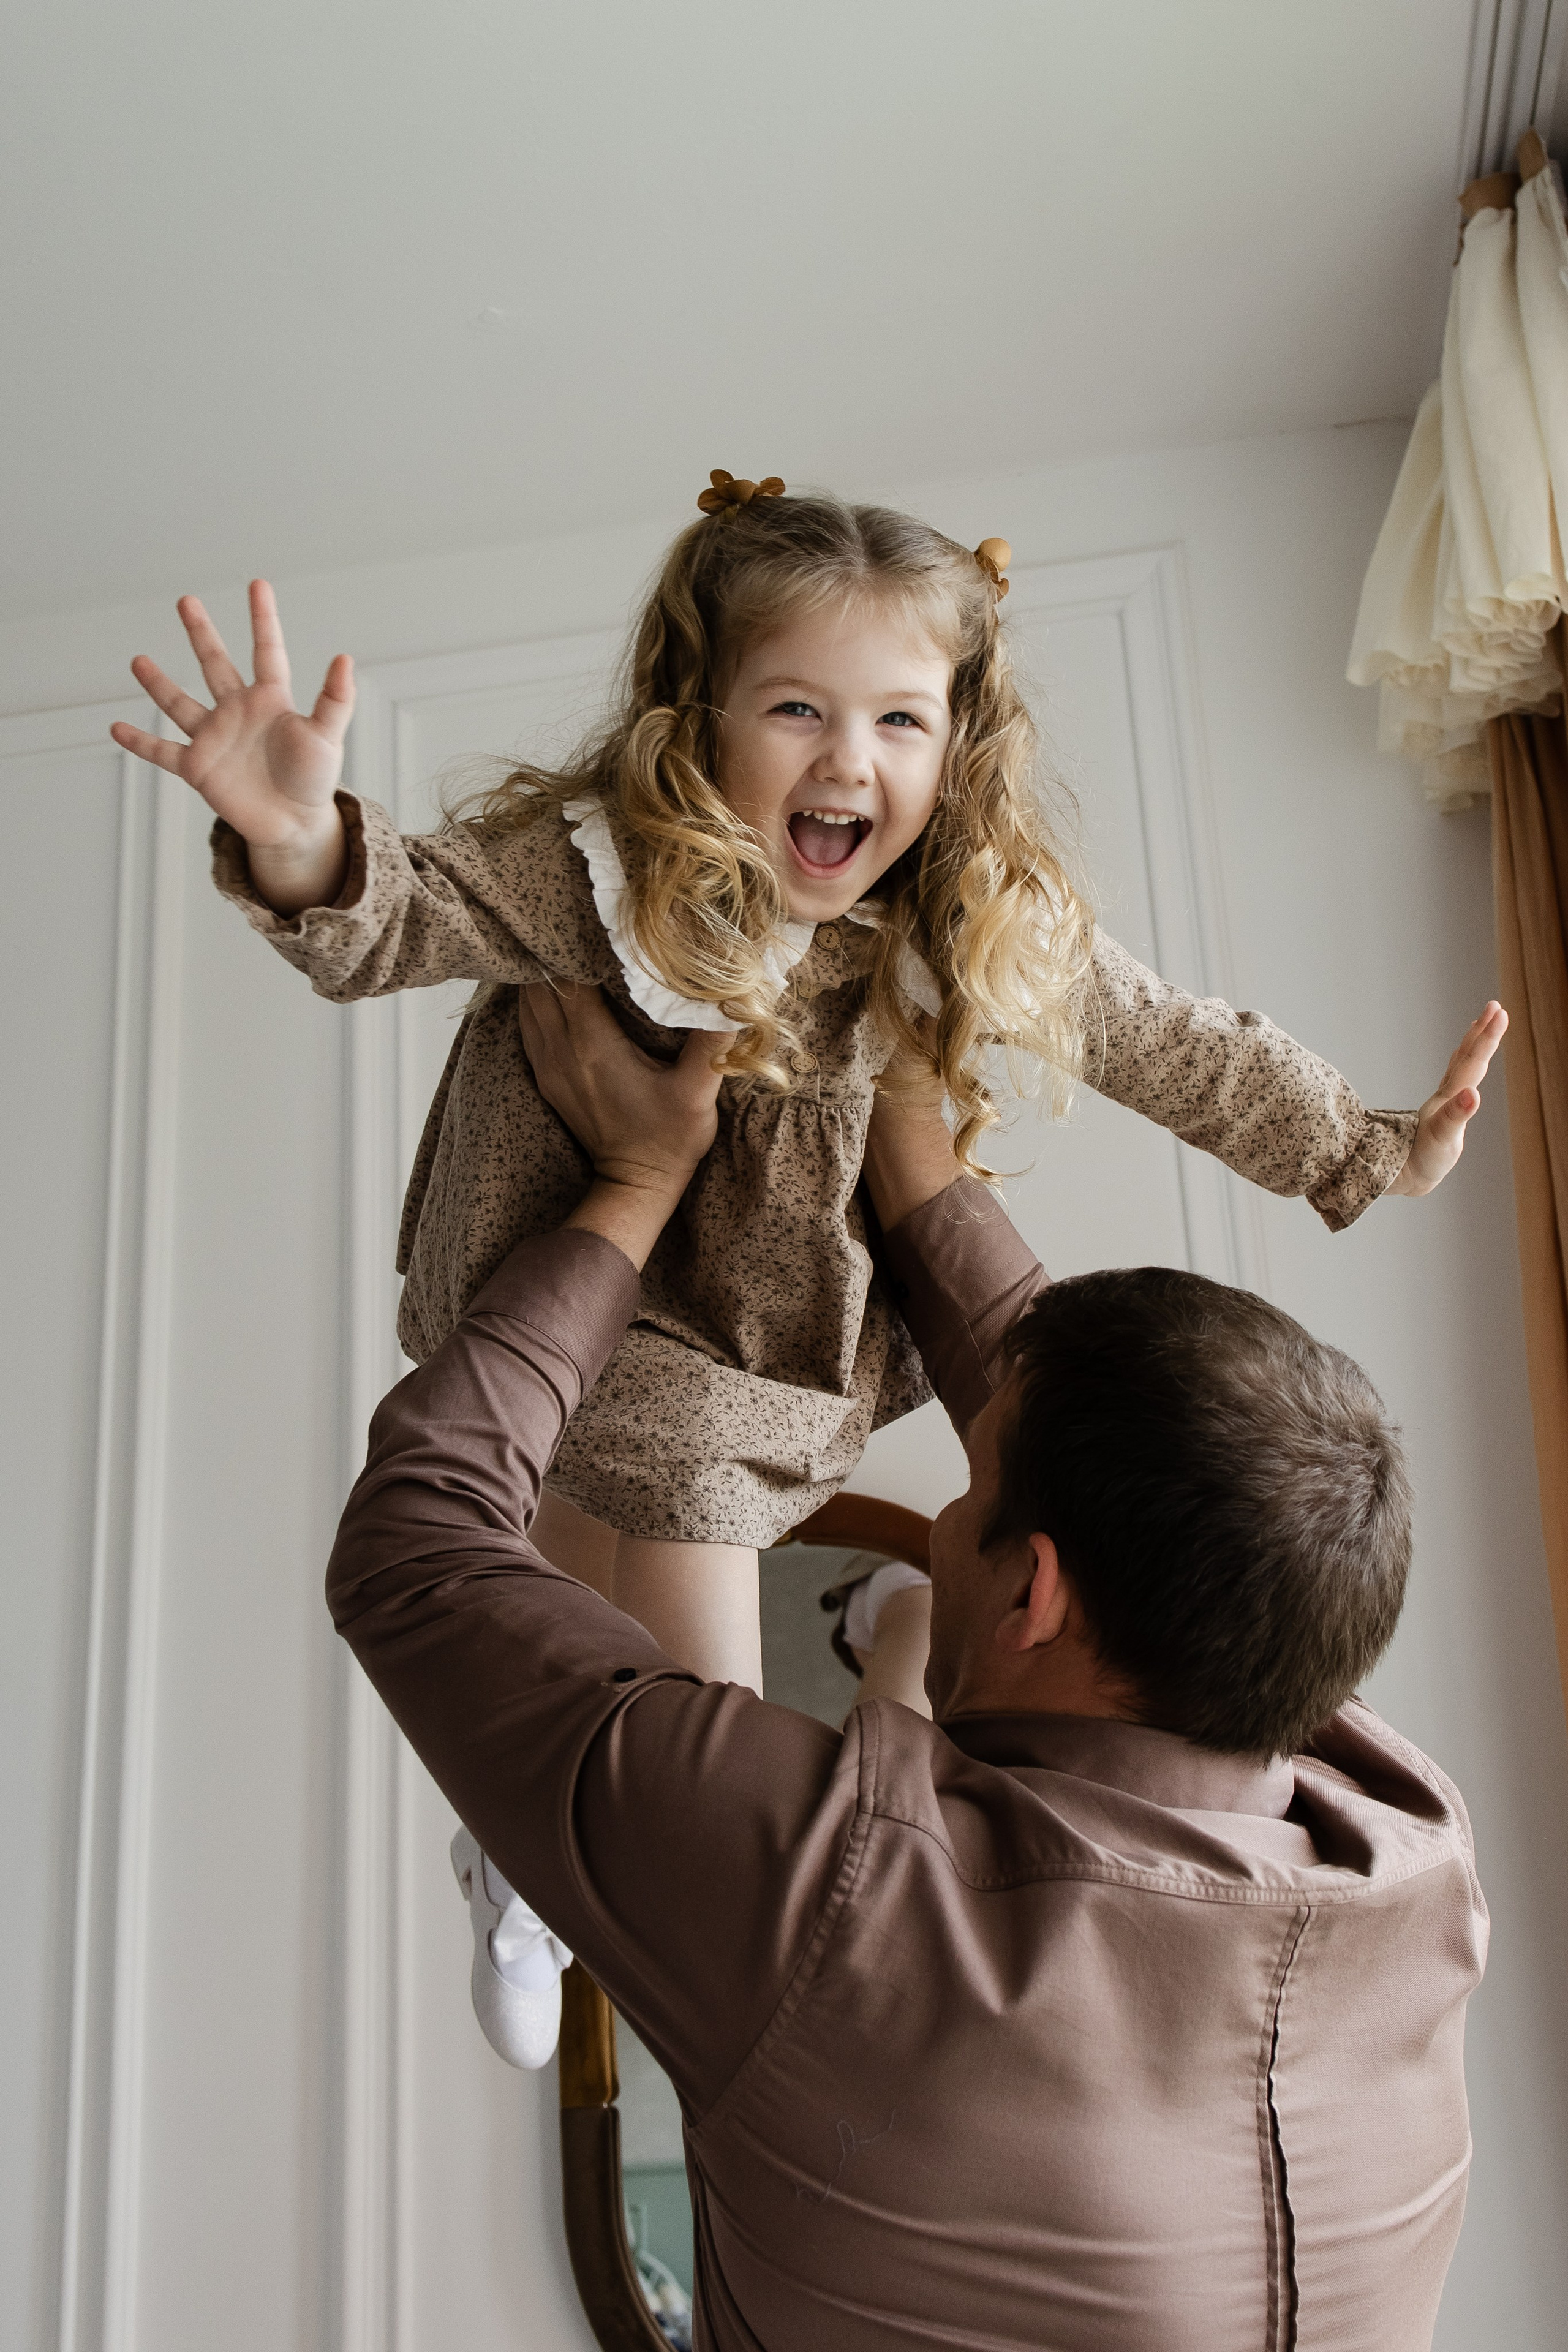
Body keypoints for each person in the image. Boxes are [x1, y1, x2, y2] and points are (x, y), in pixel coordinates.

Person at [111, 477, 1502, 2068]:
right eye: (797, 709)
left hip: (762, 1339)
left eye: (903, 722)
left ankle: (596, 1858)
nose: (852, 761)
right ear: (695, 716)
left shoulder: (953, 923)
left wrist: (1365, 1146)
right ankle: (600, 1864)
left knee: (639, 1542)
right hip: (560, 1275)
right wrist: (298, 842)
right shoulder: (598, 871)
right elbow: (405, 915)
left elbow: (1160, 1037)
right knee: (607, 1558)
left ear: (958, 744)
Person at [325, 983, 1486, 2351]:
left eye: (969, 1482)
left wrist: (635, 1186)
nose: (944, 1511)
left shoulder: (834, 1898)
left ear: (1034, 1593)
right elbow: (1167, 1490)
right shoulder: (1410, 1856)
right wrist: (911, 1131)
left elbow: (418, 1542)